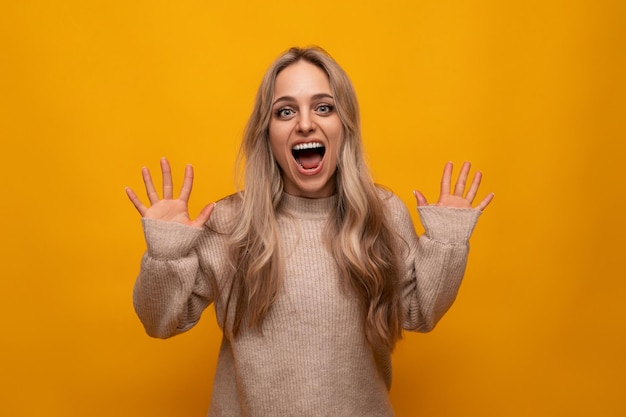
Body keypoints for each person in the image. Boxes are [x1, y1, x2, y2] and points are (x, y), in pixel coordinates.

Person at [126, 46, 494, 417]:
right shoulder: (228, 222)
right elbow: (160, 323)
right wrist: (166, 254)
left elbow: (418, 313)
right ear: (266, 132)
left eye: (324, 107)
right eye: (285, 111)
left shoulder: (382, 214)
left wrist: (446, 241)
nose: (305, 123)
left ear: (344, 125)